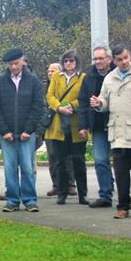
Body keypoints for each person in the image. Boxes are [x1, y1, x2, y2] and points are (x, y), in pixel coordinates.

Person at [91, 44, 131, 219]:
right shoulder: (110, 78)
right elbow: (104, 100)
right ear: (114, 60)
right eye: (119, 60)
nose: (124, 62)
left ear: (130, 56)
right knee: (120, 173)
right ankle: (123, 207)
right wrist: (99, 104)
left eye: (126, 58)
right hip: (117, 133)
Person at [0, 48, 46, 212]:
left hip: (26, 134)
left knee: (28, 168)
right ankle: (12, 201)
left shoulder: (34, 81)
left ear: (23, 61)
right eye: (11, 64)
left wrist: (28, 130)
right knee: (10, 168)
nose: (14, 67)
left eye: (16, 63)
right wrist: (3, 131)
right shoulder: (0, 82)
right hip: (7, 134)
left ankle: (30, 200)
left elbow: (38, 107)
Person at [45, 49, 88, 205]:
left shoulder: (83, 78)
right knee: (60, 162)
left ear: (77, 62)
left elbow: (84, 97)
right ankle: (61, 193)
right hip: (59, 124)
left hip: (76, 124)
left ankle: (83, 194)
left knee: (78, 161)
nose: (68, 63)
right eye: (66, 61)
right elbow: (50, 96)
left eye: (71, 61)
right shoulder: (57, 76)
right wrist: (59, 107)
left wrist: (72, 105)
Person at [78, 46, 116, 208]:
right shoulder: (89, 77)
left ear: (109, 59)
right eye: (96, 59)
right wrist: (83, 126)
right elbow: (83, 102)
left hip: (117, 124)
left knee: (123, 162)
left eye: (101, 58)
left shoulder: (118, 74)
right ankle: (105, 195)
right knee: (100, 160)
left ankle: (126, 197)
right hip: (98, 127)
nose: (98, 62)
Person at [45, 62, 77, 197]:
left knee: (67, 156)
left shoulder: (65, 85)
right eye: (49, 71)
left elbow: (68, 102)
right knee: (52, 156)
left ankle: (70, 184)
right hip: (49, 126)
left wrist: (59, 106)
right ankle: (56, 185)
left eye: (53, 71)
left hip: (64, 124)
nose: (50, 74)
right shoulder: (44, 88)